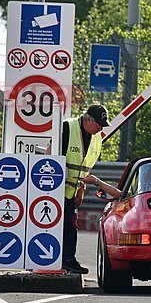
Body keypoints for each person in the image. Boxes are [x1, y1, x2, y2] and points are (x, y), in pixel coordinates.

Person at [60, 105, 111, 274]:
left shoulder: (96, 137)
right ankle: (64, 260)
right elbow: (52, 156)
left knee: (70, 225)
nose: (100, 128)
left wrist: (82, 188)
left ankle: (67, 259)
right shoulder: (67, 128)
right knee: (64, 225)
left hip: (73, 191)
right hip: (57, 190)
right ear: (88, 119)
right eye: (98, 124)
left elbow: (85, 166)